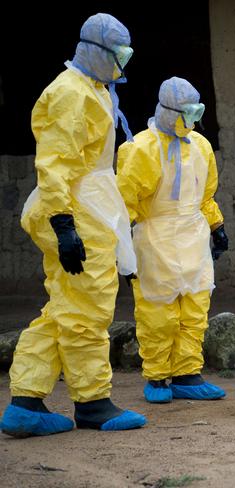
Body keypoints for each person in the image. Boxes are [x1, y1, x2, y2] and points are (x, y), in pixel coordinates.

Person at [0, 13, 147, 437]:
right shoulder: (70, 93)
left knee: (64, 309)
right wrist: (64, 224)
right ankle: (93, 402)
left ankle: (25, 402)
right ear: (97, 50)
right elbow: (56, 163)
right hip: (76, 208)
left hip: (88, 204)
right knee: (88, 310)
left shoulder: (94, 89)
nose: (124, 62)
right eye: (119, 53)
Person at [117, 77, 229, 404]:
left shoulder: (201, 147)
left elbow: (206, 196)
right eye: (188, 113)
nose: (193, 119)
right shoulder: (140, 148)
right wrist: (121, 252)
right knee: (158, 312)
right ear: (169, 111)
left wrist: (216, 226)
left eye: (197, 112)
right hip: (155, 237)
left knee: (195, 307)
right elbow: (126, 204)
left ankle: (187, 374)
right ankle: (157, 376)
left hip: (193, 235)